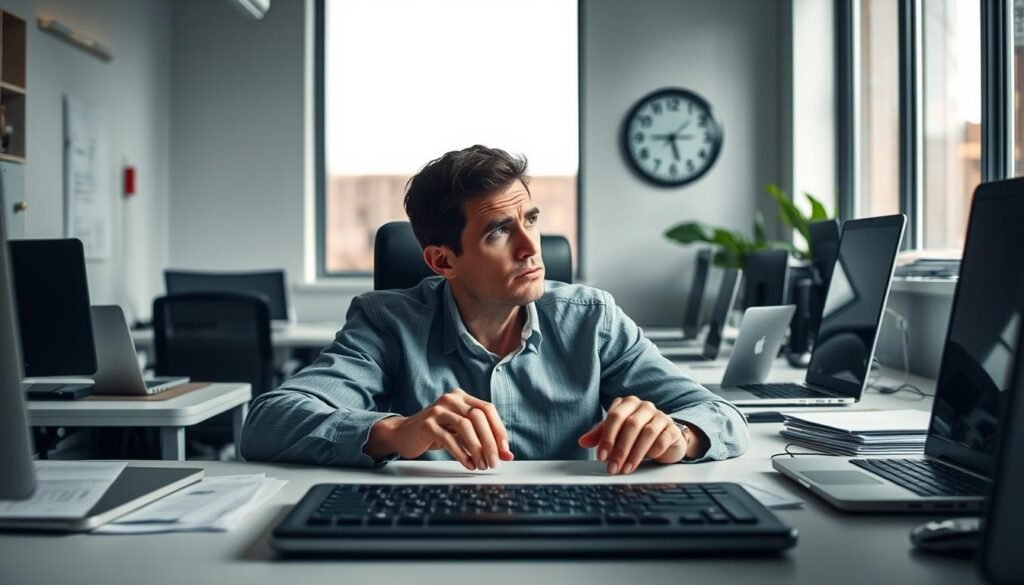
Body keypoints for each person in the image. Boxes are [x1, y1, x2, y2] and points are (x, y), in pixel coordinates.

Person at [240, 145, 748, 474]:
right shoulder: (386, 321)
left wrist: (681, 436)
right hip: (430, 535)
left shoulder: (592, 319)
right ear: (443, 260)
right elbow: (267, 423)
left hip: (570, 532)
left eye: (530, 219)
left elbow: (721, 415)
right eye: (499, 231)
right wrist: (396, 431)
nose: (532, 248)